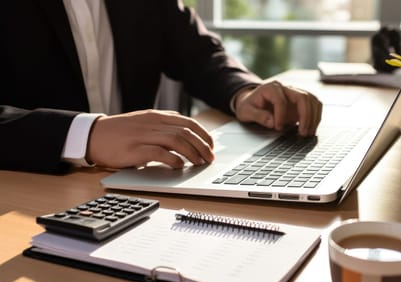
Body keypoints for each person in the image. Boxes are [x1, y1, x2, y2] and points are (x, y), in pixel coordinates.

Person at [0, 1, 322, 174]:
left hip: (135, 193)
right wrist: (85, 135)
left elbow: (196, 52)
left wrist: (244, 92)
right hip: (27, 204)